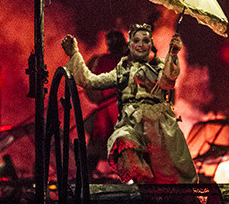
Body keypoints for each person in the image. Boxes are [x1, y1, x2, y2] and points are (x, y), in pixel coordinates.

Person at [61, 23, 197, 184]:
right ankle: (145, 183)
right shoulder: (129, 62)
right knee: (137, 146)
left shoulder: (108, 62)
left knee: (99, 148)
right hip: (125, 113)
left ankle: (85, 180)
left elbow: (89, 82)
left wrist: (74, 56)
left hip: (111, 113)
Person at [83, 30, 128, 177]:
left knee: (97, 144)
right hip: (120, 109)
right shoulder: (127, 62)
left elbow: (90, 83)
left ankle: (86, 177)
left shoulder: (100, 61)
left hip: (104, 109)